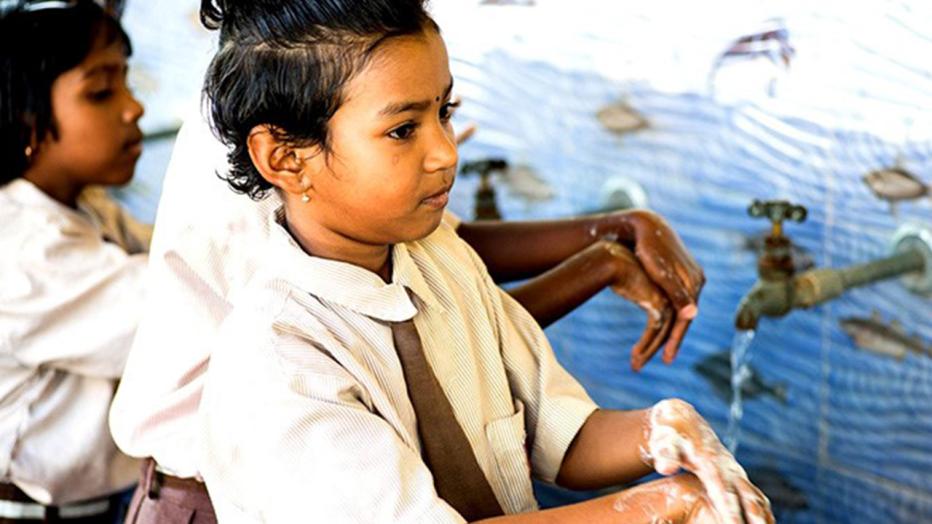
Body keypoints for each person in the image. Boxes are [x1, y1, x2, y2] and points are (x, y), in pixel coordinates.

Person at [183, 1, 773, 522]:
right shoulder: (279, 361)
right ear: (286, 158)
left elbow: (561, 436)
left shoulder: (444, 260)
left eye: (445, 111)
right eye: (403, 129)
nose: (445, 151)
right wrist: (653, 505)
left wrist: (666, 430)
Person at [0, 1, 148, 522]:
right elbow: (169, 314)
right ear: (27, 116)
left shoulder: (83, 206)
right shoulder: (21, 246)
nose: (134, 108)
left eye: (126, 84)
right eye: (101, 92)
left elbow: (170, 251)